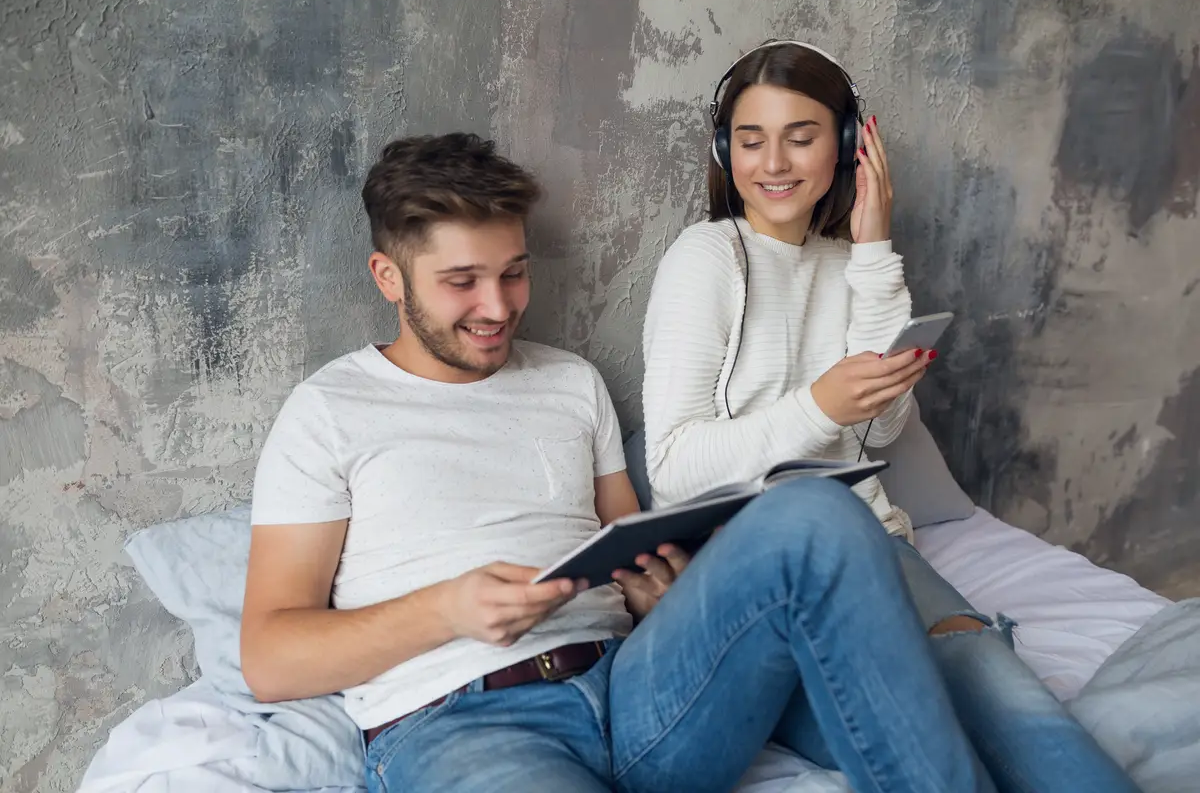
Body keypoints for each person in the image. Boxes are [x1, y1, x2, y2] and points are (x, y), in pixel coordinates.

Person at [239, 131, 1001, 793]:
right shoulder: (329, 410)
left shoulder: (572, 382)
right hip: (467, 724)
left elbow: (631, 539)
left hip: (639, 688)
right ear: (388, 278)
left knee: (814, 508)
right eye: (461, 282)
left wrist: (654, 587)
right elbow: (270, 659)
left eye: (513, 271)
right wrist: (446, 608)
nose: (499, 306)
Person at [641, 40, 1139, 793]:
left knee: (1016, 705)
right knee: (925, 728)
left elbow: (876, 435)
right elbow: (673, 467)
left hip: (881, 547)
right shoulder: (706, 259)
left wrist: (875, 250)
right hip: (762, 566)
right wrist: (817, 407)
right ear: (725, 150)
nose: (773, 162)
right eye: (751, 140)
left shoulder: (849, 265)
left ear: (845, 146)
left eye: (801, 137)